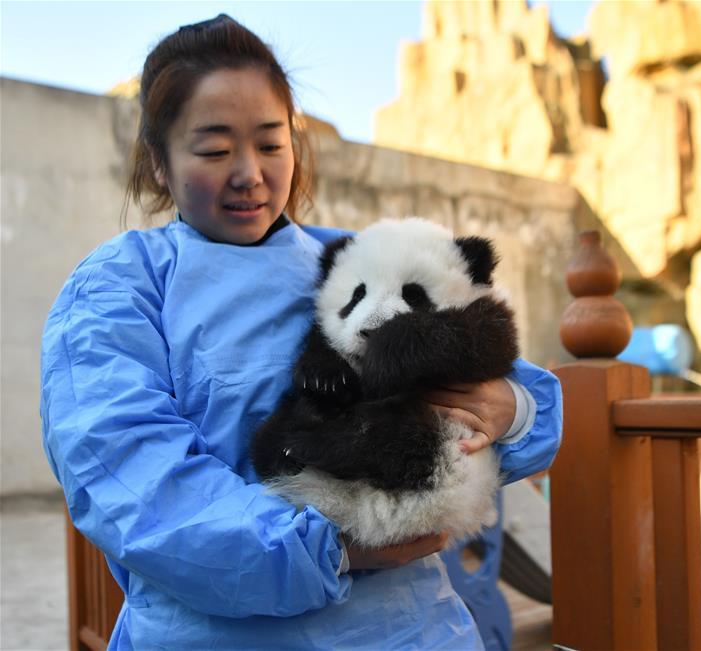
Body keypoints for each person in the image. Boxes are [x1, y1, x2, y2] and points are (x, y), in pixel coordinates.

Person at [40, 14, 562, 650]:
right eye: (213, 149)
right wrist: (338, 549)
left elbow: (525, 395)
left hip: (412, 631)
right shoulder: (119, 286)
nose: (249, 173)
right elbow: (128, 478)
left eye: (269, 143)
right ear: (158, 161)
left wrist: (514, 408)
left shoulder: (358, 256)